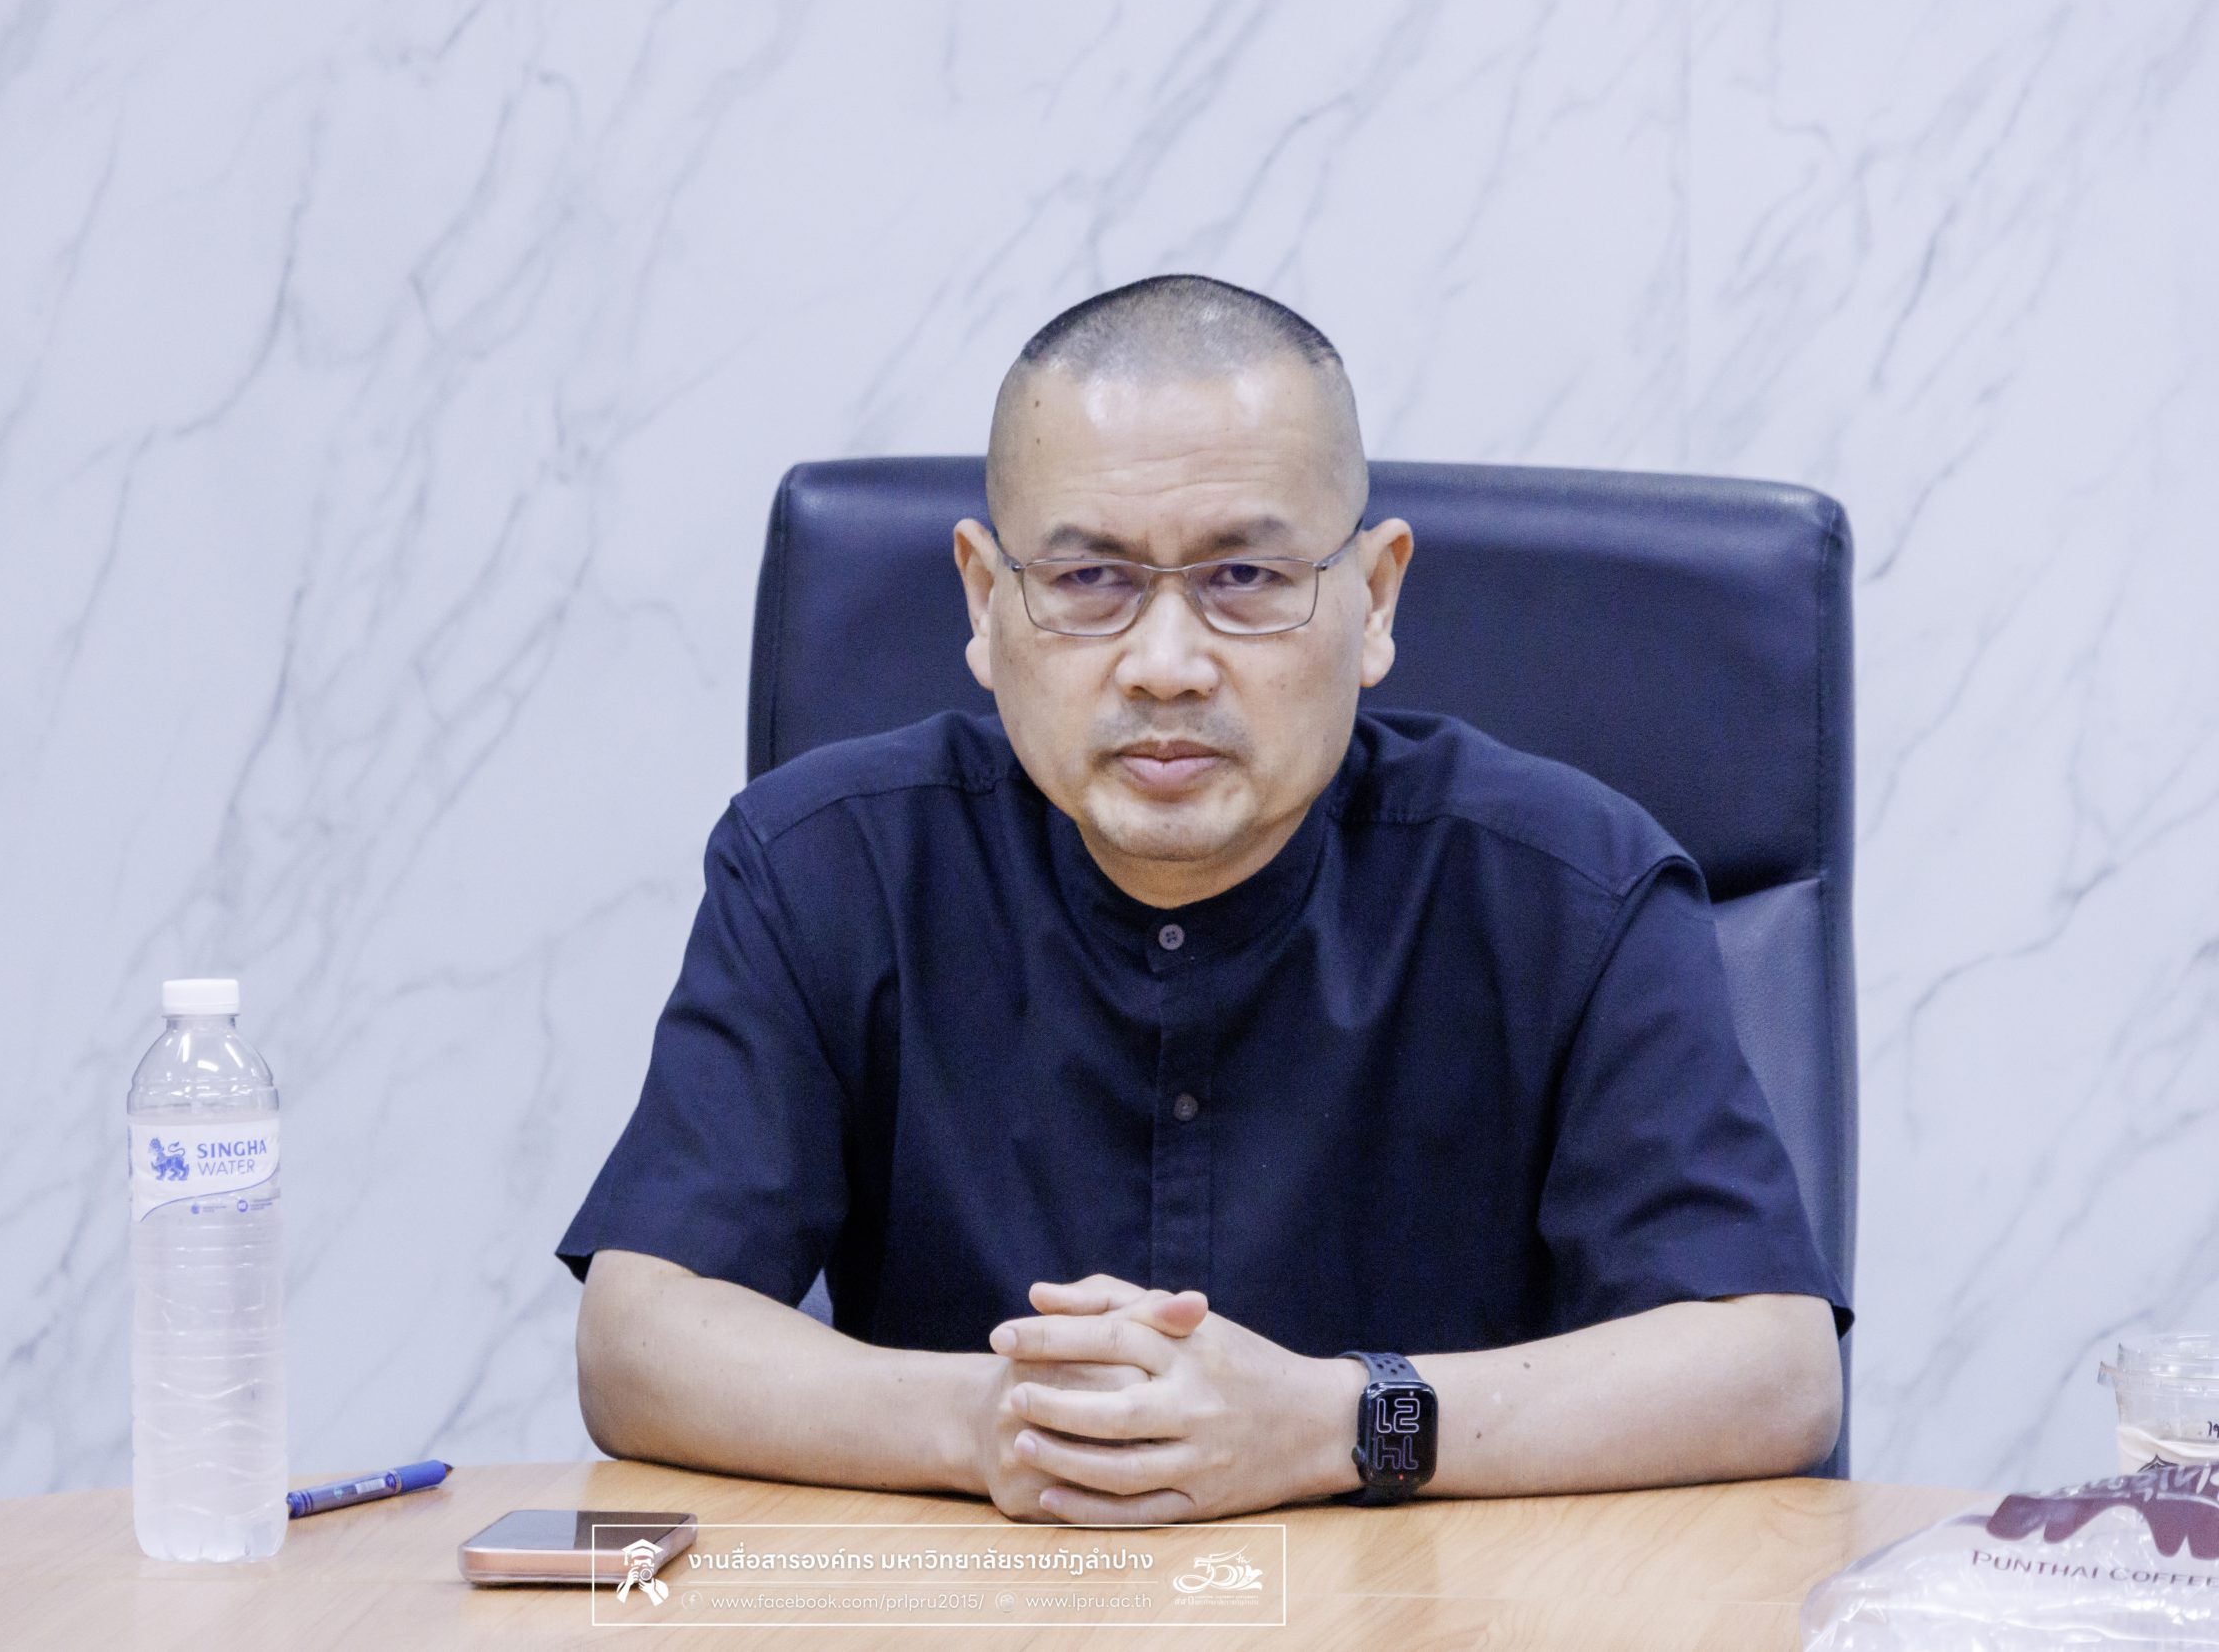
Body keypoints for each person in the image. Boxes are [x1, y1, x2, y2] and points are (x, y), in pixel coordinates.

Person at [555, 274, 1848, 1524]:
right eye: (1088, 581)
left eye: (1245, 580)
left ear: (1374, 597)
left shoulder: (1573, 888)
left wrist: (1335, 1423)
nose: (1166, 665)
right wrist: (994, 1422)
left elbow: (1772, 1370)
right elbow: (640, 1334)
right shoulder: (824, 864)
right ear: (986, 601)